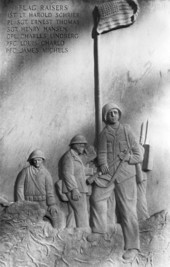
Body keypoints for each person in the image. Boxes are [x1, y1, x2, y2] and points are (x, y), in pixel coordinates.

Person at [87, 103, 143, 261]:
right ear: (106, 116)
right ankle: (98, 230)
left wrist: (129, 158)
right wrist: (103, 164)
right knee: (96, 198)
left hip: (126, 174)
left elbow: (139, 155)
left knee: (129, 210)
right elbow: (102, 152)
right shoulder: (104, 133)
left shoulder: (126, 130)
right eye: (110, 113)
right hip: (108, 173)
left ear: (119, 114)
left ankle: (132, 246)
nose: (113, 115)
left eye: (115, 112)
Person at [16, 149, 60, 228]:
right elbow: (20, 187)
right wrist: (21, 202)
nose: (37, 162)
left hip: (42, 202)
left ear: (42, 160)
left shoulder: (46, 173)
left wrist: (52, 204)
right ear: (32, 161)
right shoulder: (26, 171)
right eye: (35, 160)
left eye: (39, 160)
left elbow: (49, 190)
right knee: (29, 222)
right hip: (28, 201)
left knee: (45, 220)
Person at [60, 134, 96, 232]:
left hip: (79, 188)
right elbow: (67, 174)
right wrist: (74, 190)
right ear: (76, 145)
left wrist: (92, 171)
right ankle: (84, 235)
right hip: (75, 189)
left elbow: (79, 170)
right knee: (82, 213)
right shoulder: (68, 157)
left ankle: (69, 234)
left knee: (73, 213)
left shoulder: (75, 156)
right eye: (82, 145)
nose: (84, 148)